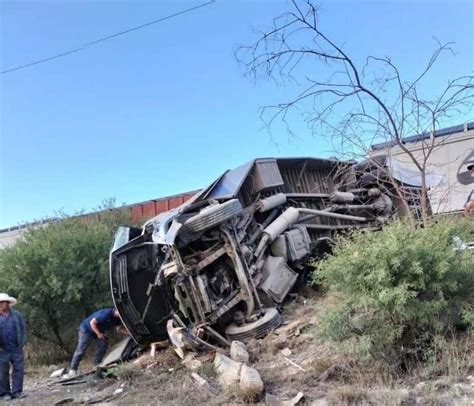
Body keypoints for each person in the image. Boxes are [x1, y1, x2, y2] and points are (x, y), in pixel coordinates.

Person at [64, 308, 121, 378]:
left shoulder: (117, 319)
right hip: (86, 329)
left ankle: (97, 365)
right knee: (81, 350)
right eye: (119, 312)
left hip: (98, 330)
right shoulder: (105, 314)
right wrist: (98, 334)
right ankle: (72, 370)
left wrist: (129, 333)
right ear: (116, 310)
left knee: (103, 344)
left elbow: (119, 329)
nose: (120, 314)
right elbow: (92, 322)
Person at [0, 293, 27, 401]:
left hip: (16, 347)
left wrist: (22, 343)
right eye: (0, 303)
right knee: (2, 372)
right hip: (2, 349)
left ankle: (17, 392)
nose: (2, 304)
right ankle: (5, 393)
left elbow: (23, 328)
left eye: (4, 302)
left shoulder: (16, 315)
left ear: (8, 303)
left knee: (19, 370)